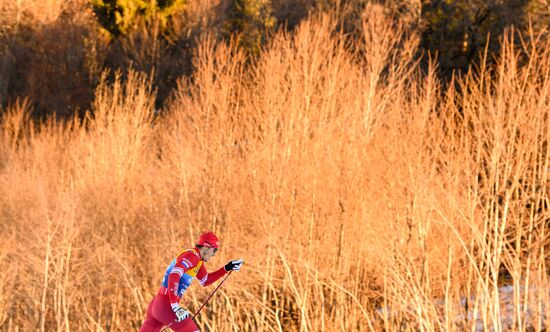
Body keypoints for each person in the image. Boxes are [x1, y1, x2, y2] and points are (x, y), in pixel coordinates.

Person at [140, 231, 243, 332]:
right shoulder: (192, 256)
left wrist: (226, 268)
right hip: (166, 305)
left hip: (157, 304)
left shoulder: (197, 261)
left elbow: (205, 280)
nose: (214, 254)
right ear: (207, 247)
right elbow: (174, 275)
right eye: (214, 250)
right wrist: (175, 306)